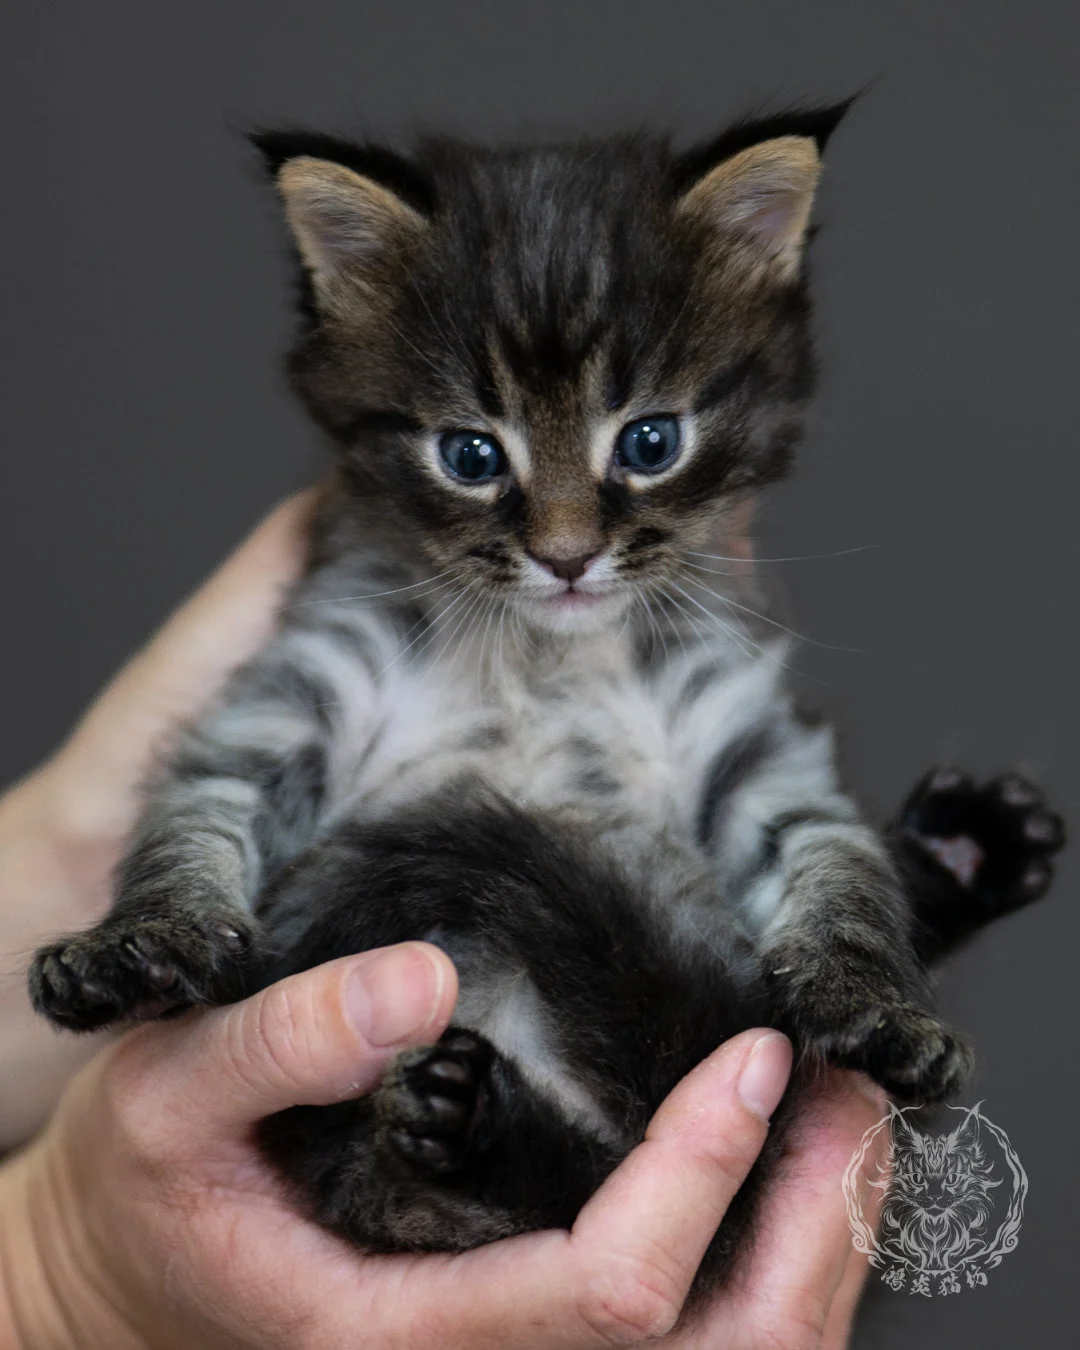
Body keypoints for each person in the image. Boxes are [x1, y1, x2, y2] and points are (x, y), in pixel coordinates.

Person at [0, 495, 884, 1348]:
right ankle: (494, 1157)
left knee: (727, 1069)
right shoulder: (375, 598)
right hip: (483, 1049)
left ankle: (498, 1157)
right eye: (472, 454)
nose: (565, 533)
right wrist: (51, 1281)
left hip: (573, 1046)